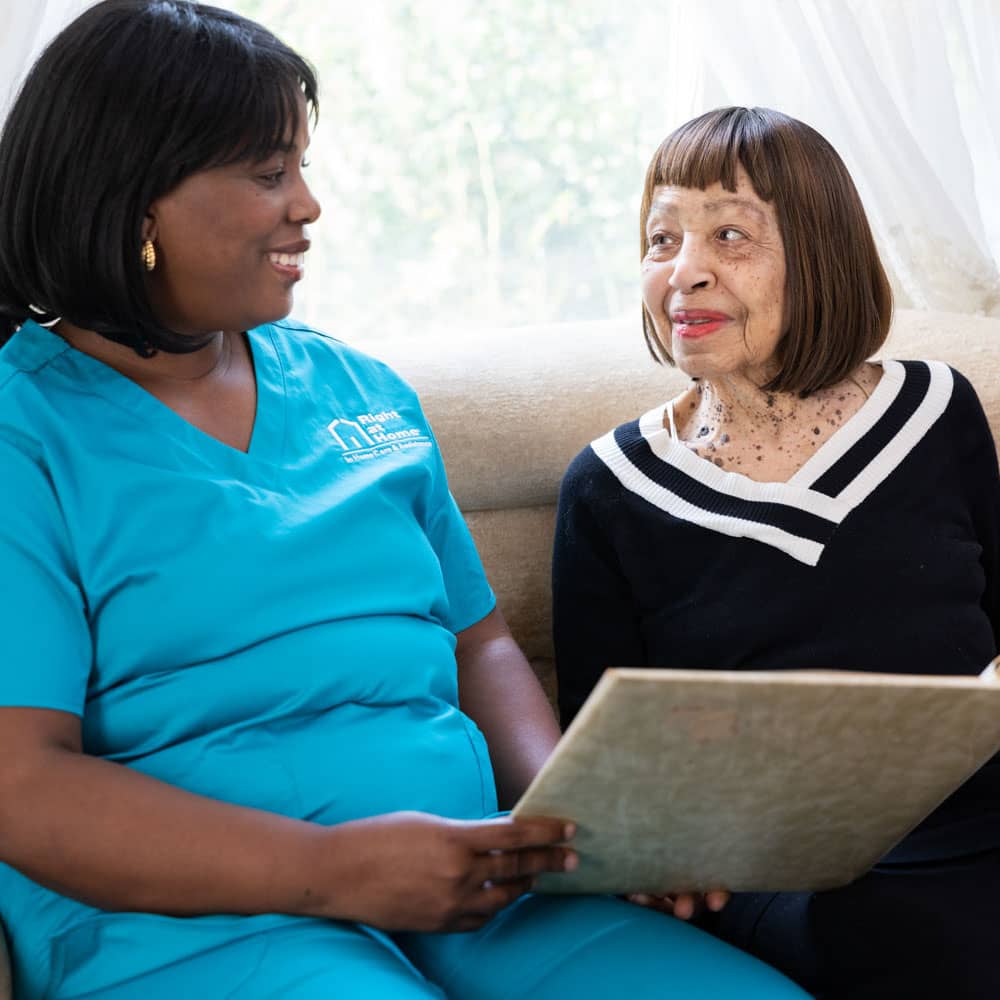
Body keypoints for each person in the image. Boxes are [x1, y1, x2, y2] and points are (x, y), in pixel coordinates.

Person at [0, 5, 811, 999]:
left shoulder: (361, 391)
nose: (307, 204)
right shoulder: (23, 432)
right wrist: (332, 871)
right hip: (197, 928)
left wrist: (578, 825)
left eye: (299, 165)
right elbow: (22, 785)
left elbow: (479, 645)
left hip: (481, 895)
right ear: (132, 202)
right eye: (267, 173)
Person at [552, 105, 1000, 999]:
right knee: (895, 928)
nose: (686, 272)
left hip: (979, 807)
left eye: (729, 234)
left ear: (821, 253)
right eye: (661, 239)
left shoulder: (938, 407)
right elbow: (603, 761)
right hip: (795, 867)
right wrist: (646, 841)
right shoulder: (607, 485)